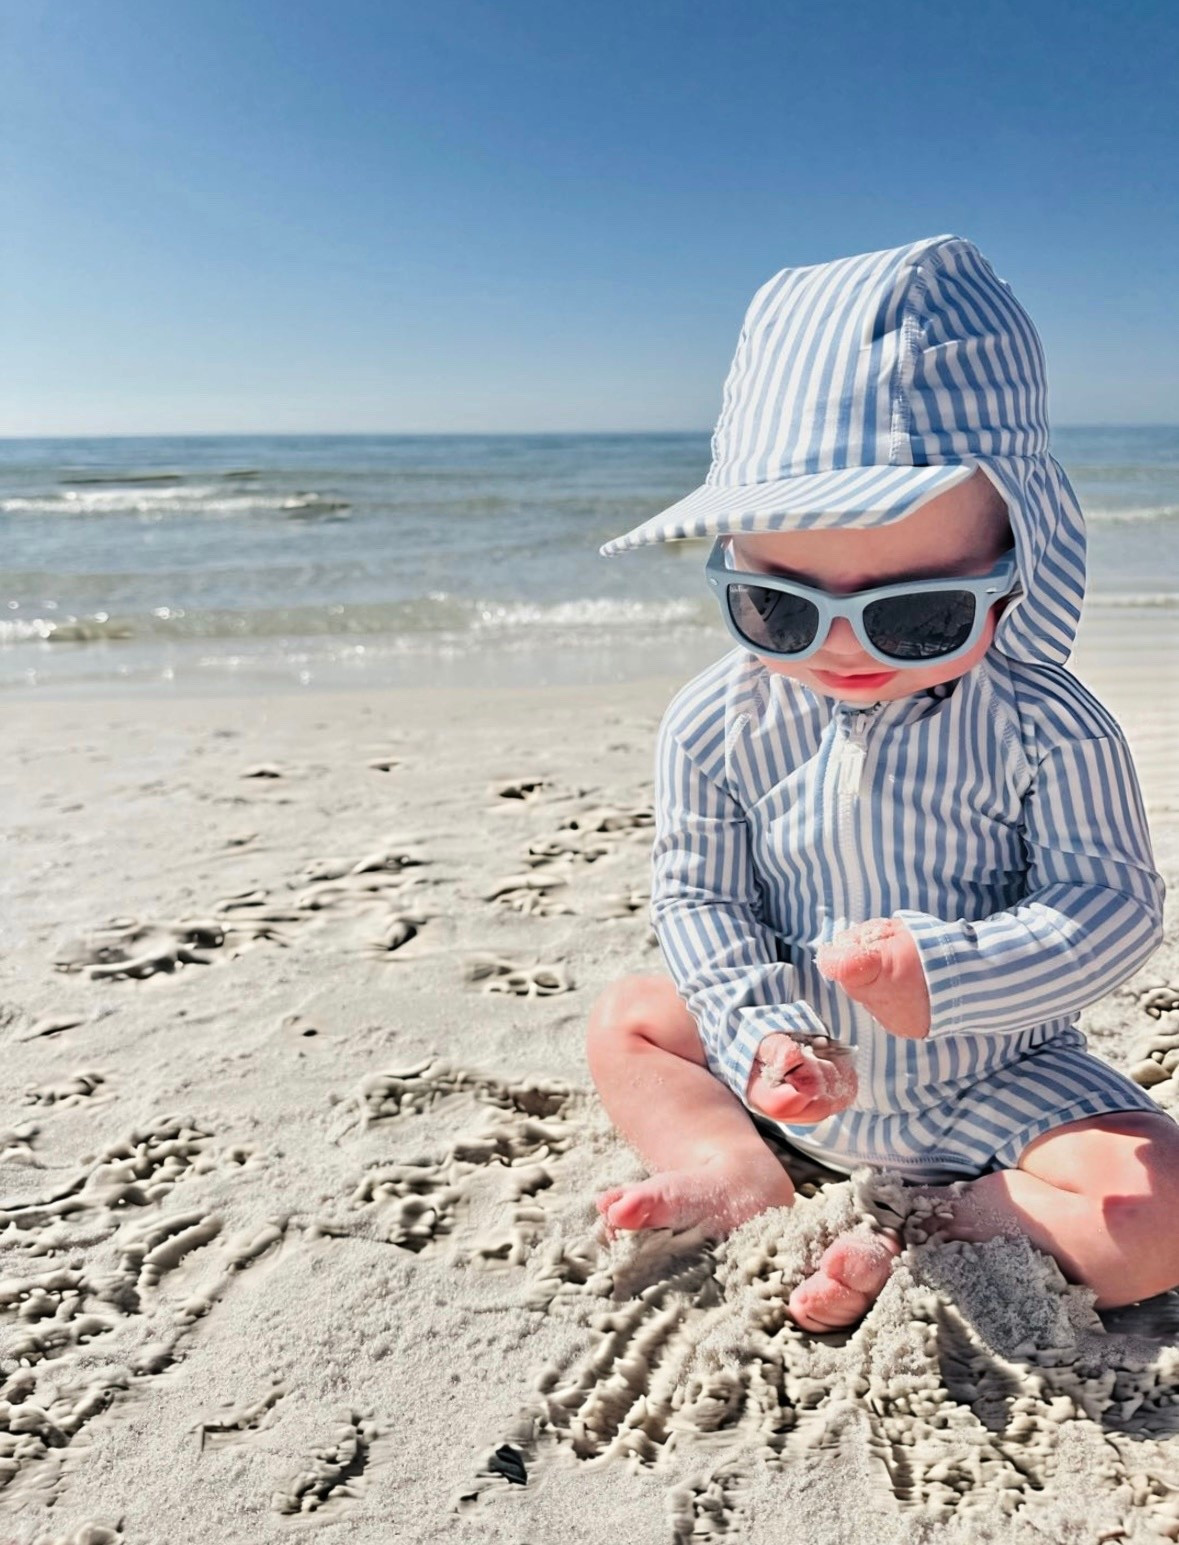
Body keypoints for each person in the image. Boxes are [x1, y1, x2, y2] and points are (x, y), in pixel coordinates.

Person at [587, 234, 1179, 1333]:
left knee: (1162, 1210)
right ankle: (734, 1168)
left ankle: (943, 1224)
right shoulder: (716, 718)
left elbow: (1113, 905)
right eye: (780, 608)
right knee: (629, 1019)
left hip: (994, 1080)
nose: (842, 649)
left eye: (918, 615)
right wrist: (761, 1033)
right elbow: (700, 897)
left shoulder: (1047, 723)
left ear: (1017, 564)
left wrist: (950, 974)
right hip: (793, 1069)